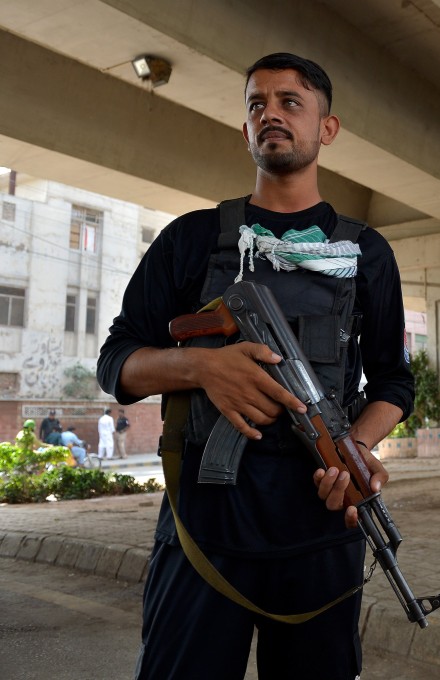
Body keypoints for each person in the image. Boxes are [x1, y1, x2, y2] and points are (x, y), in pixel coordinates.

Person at [97, 53, 414, 679]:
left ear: (327, 128)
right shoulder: (193, 239)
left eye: (290, 102)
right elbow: (116, 363)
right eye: (256, 104)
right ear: (246, 129)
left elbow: (394, 381)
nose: (269, 113)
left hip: (321, 536)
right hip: (201, 536)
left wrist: (353, 448)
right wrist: (202, 368)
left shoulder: (365, 254)